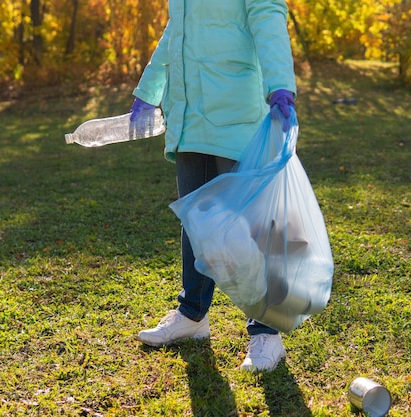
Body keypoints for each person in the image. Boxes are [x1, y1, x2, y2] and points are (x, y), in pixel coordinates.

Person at [129, 0, 297, 373]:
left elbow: (268, 20)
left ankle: (267, 332)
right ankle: (192, 315)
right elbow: (177, 31)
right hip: (189, 116)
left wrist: (281, 86)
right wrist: (150, 87)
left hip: (236, 116)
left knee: (247, 228)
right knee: (196, 222)